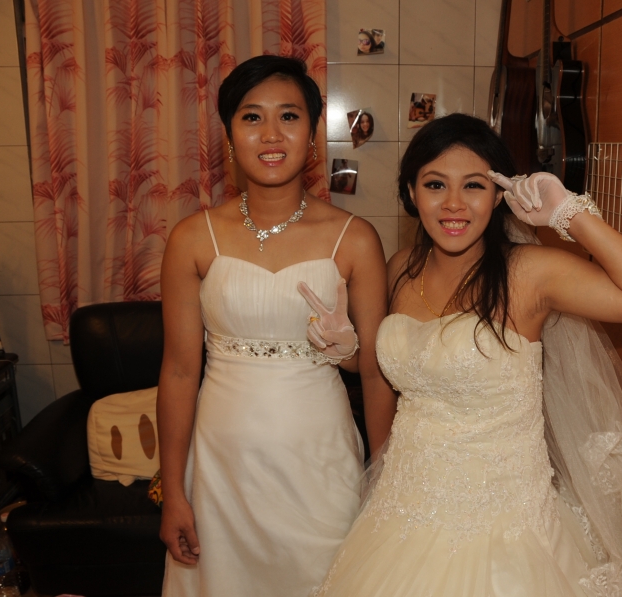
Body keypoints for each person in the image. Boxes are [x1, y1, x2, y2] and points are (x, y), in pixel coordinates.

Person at [312, 114, 622, 597]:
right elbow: (399, 377)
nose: (453, 203)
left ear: (498, 195)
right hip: (403, 504)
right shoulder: (402, 267)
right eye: (435, 184)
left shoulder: (529, 273)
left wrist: (568, 213)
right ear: (410, 193)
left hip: (505, 523)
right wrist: (348, 353)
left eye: (473, 185)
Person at [157, 55, 396, 596]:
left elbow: (376, 372)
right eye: (251, 117)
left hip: (320, 458)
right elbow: (178, 372)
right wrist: (174, 491)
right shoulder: (192, 238)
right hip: (221, 467)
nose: (270, 134)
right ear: (228, 135)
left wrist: (383, 482)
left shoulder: (355, 239)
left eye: (288, 116)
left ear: (312, 135)